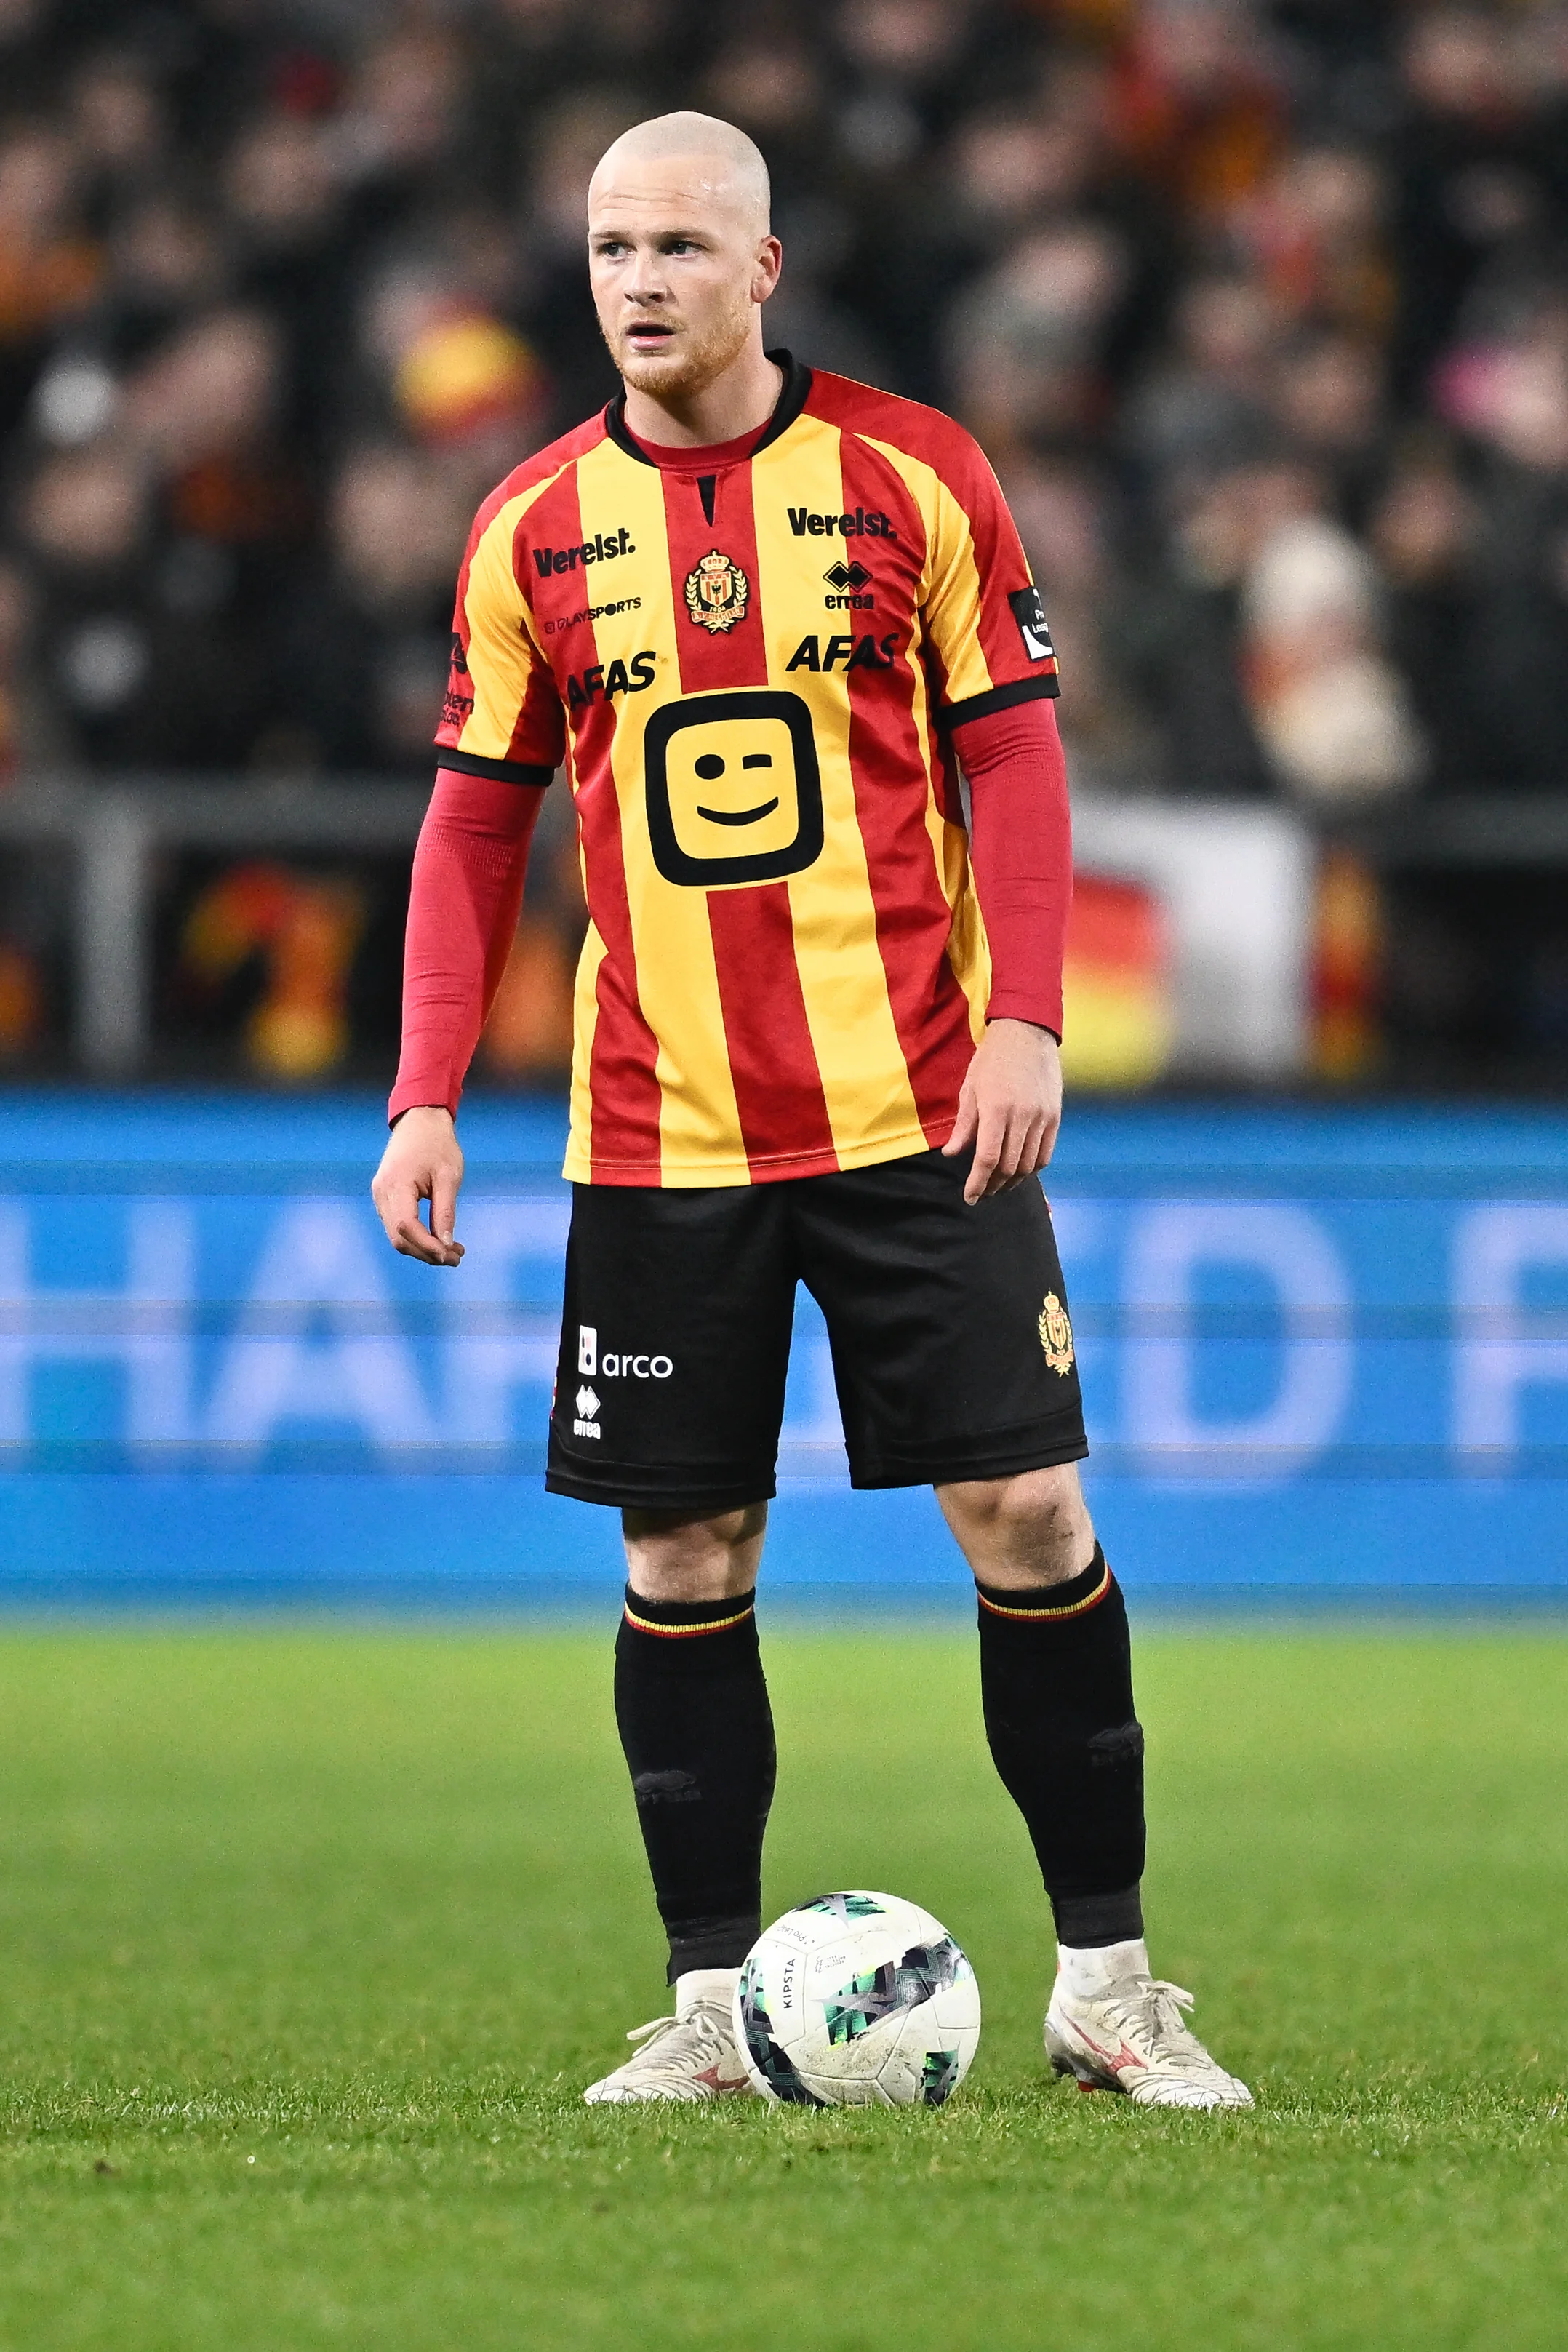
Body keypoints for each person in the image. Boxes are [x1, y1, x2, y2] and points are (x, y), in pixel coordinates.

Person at [372, 112, 1251, 2113]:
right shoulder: (525, 527)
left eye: (682, 241)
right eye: (610, 244)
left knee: (1024, 1510)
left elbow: (1016, 769)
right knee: (683, 1552)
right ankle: (703, 2004)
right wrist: (425, 1091)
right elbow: (466, 829)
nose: (641, 277)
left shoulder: (912, 473)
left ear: (762, 267)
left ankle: (1105, 1983)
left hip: (914, 1105)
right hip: (657, 1129)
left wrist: (1025, 1021)